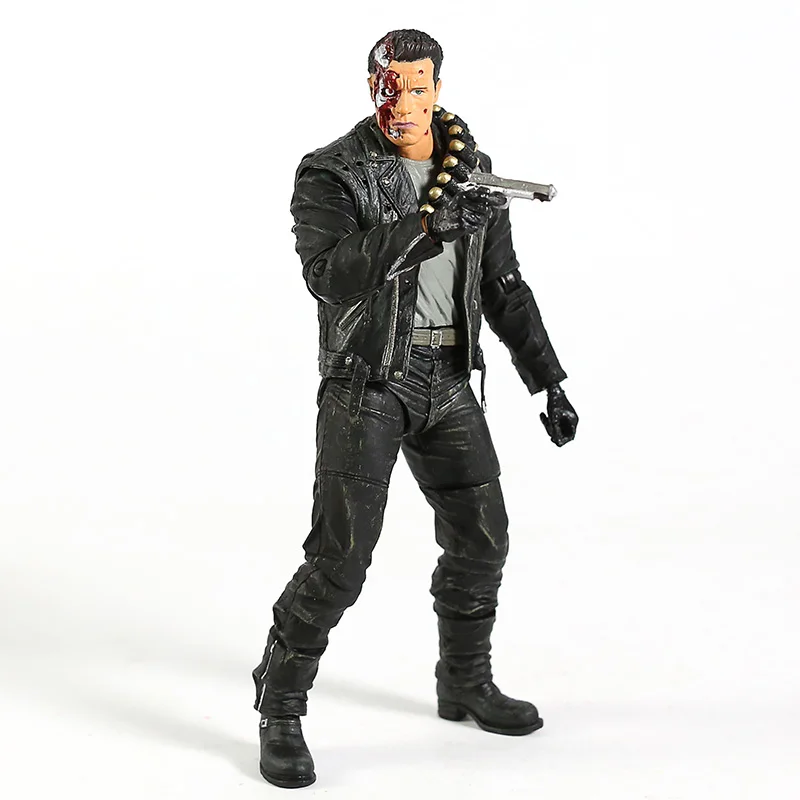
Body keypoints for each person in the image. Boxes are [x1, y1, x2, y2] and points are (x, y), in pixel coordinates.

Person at [252, 28, 578, 789]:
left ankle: (464, 680)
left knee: (483, 538)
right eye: (387, 87)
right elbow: (330, 274)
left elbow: (502, 284)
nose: (401, 103)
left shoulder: (472, 168)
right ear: (371, 87)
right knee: (340, 560)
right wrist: (426, 228)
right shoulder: (332, 172)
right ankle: (280, 703)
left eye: (417, 87)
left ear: (438, 89)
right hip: (368, 381)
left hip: (450, 377)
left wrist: (547, 379)